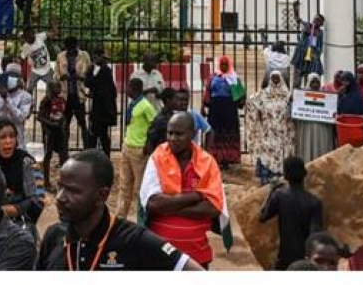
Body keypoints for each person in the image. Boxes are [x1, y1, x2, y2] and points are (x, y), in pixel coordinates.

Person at [37, 149, 202, 271]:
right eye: (60, 187)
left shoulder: (135, 240)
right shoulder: (54, 237)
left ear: (102, 195)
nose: (60, 197)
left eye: (73, 191)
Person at [140, 112, 228, 269]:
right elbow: (153, 204)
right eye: (170, 133)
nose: (173, 138)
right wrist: (197, 195)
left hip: (197, 255)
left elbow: (213, 208)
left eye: (179, 134)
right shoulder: (157, 157)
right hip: (159, 252)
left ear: (193, 134)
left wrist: (168, 207)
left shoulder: (207, 162)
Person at [0, 118, 44, 238]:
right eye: (2, 137)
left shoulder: (27, 163)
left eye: (12, 136)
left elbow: (38, 200)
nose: (8, 141)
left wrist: (14, 209)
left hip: (20, 229)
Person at [258, 155, 323, 270]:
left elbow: (262, 217)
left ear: (285, 176)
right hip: (304, 260)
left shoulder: (279, 196)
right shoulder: (315, 202)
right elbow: (314, 236)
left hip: (284, 259)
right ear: (305, 173)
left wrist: (271, 192)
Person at [118, 77, 157, 220]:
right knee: (124, 185)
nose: (126, 90)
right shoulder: (133, 104)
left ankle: (142, 218)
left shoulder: (146, 106)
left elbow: (155, 124)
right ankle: (120, 217)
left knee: (140, 187)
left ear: (134, 89)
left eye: (128, 87)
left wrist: (148, 143)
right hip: (128, 146)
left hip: (139, 149)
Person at [247, 70, 294, 184]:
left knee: (281, 154)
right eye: (273, 78)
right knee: (267, 154)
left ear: (281, 79)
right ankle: (266, 178)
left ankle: (280, 178)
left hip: (283, 132)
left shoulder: (287, 96)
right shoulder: (263, 95)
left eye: (278, 78)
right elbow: (252, 101)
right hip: (267, 132)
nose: (276, 80)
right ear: (270, 79)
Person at [203, 55, 243, 168]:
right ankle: (215, 158)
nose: (224, 66)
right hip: (215, 109)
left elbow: (240, 94)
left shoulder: (234, 77)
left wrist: (239, 100)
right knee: (215, 133)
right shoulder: (213, 77)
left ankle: (227, 159)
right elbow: (207, 91)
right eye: (222, 64)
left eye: (226, 64)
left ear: (229, 65)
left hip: (229, 109)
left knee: (228, 133)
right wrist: (204, 105)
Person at [0, 63, 33, 148]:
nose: (11, 78)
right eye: (9, 75)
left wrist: (6, 98)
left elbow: (21, 117)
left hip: (16, 142)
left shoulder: (25, 96)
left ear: (19, 79)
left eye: (14, 76)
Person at [56, 35, 93, 148]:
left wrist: (81, 77)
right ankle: (64, 151)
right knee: (64, 124)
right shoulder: (60, 56)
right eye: (69, 49)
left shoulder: (84, 55)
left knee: (82, 123)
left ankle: (86, 149)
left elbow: (90, 72)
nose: (71, 51)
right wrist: (62, 77)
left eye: (73, 48)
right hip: (65, 95)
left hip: (78, 95)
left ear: (76, 46)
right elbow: (56, 74)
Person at [294, 74, 335, 163]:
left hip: (322, 129)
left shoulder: (327, 97)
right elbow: (297, 112)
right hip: (307, 129)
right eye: (313, 82)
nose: (315, 84)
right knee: (308, 146)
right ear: (309, 83)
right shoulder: (301, 96)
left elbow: (331, 111)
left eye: (317, 82)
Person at [37, 79, 70, 190]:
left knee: (63, 155)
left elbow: (63, 114)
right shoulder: (46, 100)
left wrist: (63, 123)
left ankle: (64, 182)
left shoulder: (60, 100)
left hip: (59, 131)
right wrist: (51, 124)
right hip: (49, 132)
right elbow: (40, 117)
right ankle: (46, 182)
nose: (59, 89)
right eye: (57, 87)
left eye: (59, 87)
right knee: (47, 156)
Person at [86, 48, 118, 154]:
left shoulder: (104, 70)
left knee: (97, 135)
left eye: (96, 57)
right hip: (102, 109)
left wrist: (89, 71)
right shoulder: (103, 70)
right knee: (100, 135)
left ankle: (95, 156)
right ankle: (102, 155)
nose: (94, 59)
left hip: (102, 110)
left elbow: (89, 83)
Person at [290, 0, 325, 79]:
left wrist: (317, 54)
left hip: (312, 55)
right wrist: (295, 9)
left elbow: (320, 45)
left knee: (311, 76)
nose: (315, 20)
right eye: (315, 18)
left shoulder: (320, 32)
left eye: (318, 20)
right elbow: (297, 19)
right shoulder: (307, 25)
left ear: (321, 23)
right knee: (298, 76)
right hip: (302, 53)